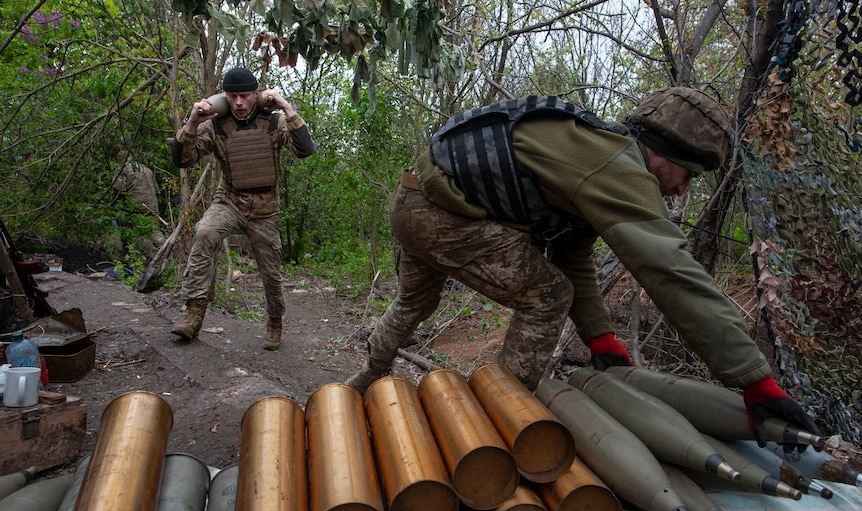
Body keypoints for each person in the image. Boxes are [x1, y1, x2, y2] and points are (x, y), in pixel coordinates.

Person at [345, 87, 820, 449]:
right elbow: (671, 272)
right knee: (546, 296)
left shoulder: (590, 149)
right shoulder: (617, 168)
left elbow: (572, 255)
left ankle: (366, 375)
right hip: (443, 217)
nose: (679, 190)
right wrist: (755, 380)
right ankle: (495, 427)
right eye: (687, 175)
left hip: (413, 200)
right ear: (665, 152)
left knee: (415, 300)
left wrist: (600, 338)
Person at [170, 67, 315, 350]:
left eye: (245, 96)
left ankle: (275, 321)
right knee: (204, 232)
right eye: (232, 96)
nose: (238, 102)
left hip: (265, 207)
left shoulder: (274, 122)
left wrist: (285, 106)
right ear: (225, 96)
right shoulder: (216, 124)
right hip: (230, 200)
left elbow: (304, 149)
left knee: (271, 273)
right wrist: (191, 123)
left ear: (255, 95)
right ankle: (194, 313)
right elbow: (183, 160)